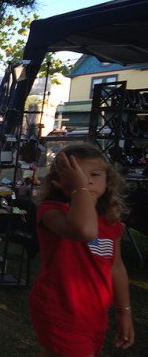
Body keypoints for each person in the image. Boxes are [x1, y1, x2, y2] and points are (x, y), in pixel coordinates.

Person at [29, 143, 134, 356]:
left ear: (108, 179)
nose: (86, 181)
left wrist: (124, 312)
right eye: (76, 175)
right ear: (59, 180)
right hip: (61, 310)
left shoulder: (109, 220)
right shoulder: (52, 211)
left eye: (95, 174)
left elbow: (116, 267)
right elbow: (84, 231)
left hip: (94, 314)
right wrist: (80, 189)